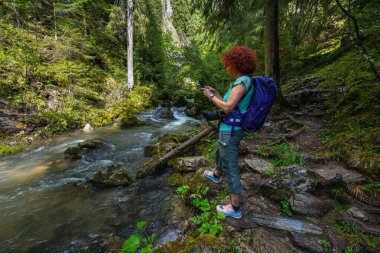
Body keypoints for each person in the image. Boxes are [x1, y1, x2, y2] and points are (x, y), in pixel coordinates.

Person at [202, 45, 258, 219]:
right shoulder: (243, 81)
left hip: (231, 130)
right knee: (221, 152)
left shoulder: (242, 82)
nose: (227, 67)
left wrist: (210, 98)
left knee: (231, 167)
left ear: (237, 63)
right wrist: (215, 93)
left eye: (229, 63)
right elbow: (228, 102)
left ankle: (235, 208)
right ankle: (216, 174)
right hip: (228, 128)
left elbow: (227, 107)